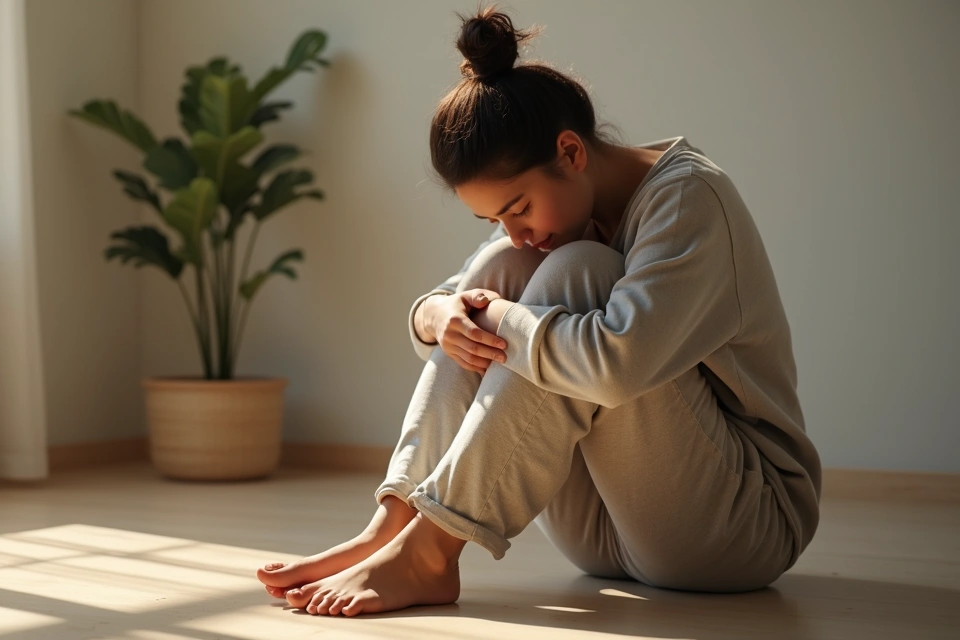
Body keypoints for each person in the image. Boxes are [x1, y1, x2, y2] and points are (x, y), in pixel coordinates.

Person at [255, 6, 821, 618]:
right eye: (494, 216)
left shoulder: (688, 199)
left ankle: (430, 553)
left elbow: (617, 366)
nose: (516, 230)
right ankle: (394, 526)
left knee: (581, 272)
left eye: (518, 207)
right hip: (602, 530)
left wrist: (494, 317)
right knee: (501, 271)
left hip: (737, 528)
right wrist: (439, 315)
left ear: (571, 152)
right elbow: (451, 304)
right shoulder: (544, 229)